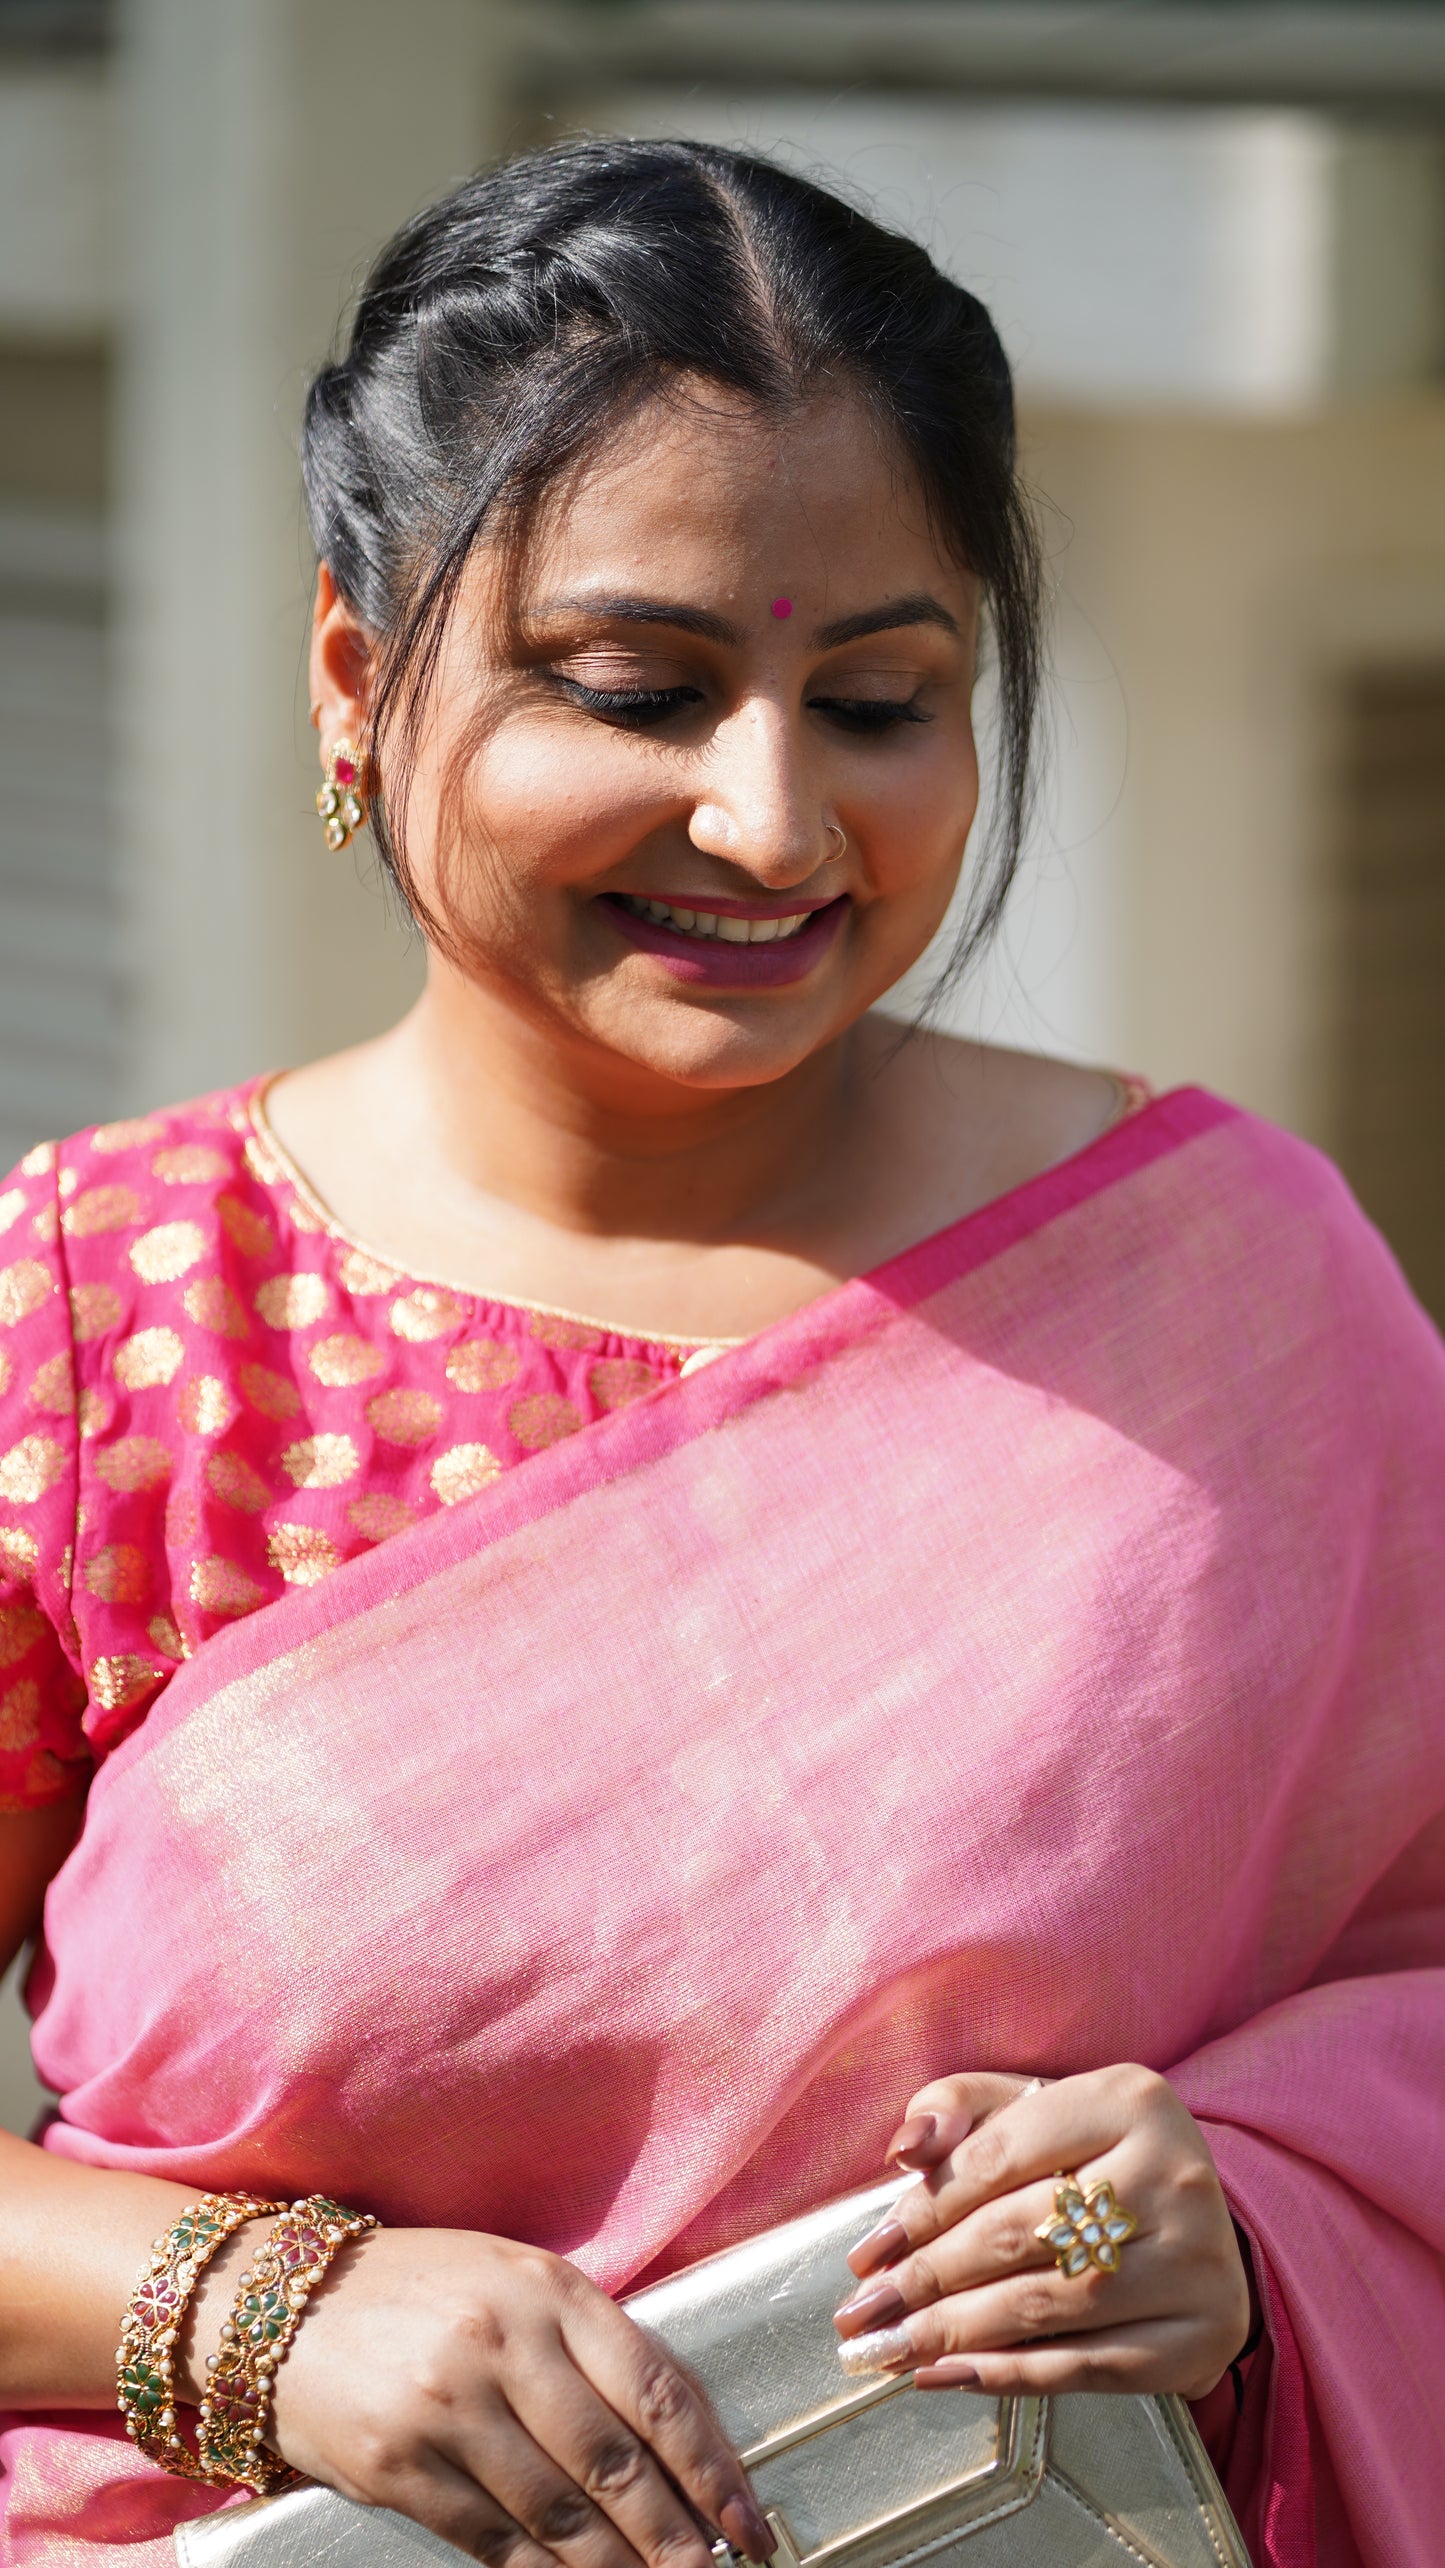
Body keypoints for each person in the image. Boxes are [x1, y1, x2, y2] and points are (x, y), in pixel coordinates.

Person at [0, 138, 1438, 2568]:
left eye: (878, 699)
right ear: (359, 675)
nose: (770, 822)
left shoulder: (1234, 1291)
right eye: (639, 688)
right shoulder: (114, 1316)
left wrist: (1260, 2205)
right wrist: (258, 2313)